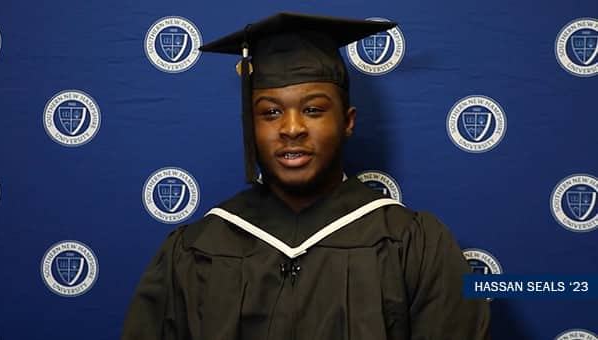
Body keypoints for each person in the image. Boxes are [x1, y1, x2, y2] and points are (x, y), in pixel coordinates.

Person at [121, 12, 491, 340]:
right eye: (270, 113)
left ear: (347, 122)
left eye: (313, 109)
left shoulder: (412, 247)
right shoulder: (196, 249)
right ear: (250, 127)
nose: (292, 128)